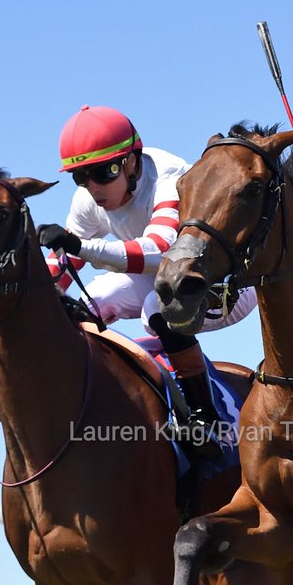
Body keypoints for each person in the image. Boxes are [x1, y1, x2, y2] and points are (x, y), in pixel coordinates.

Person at [37, 105, 257, 460]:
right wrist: (27, 298)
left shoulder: (168, 178)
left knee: (158, 309)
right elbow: (61, 266)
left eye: (103, 173)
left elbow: (158, 250)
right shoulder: (87, 202)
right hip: (163, 277)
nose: (93, 188)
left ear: (130, 161)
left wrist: (82, 247)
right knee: (90, 302)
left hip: (216, 283)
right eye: (81, 177)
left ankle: (205, 418)